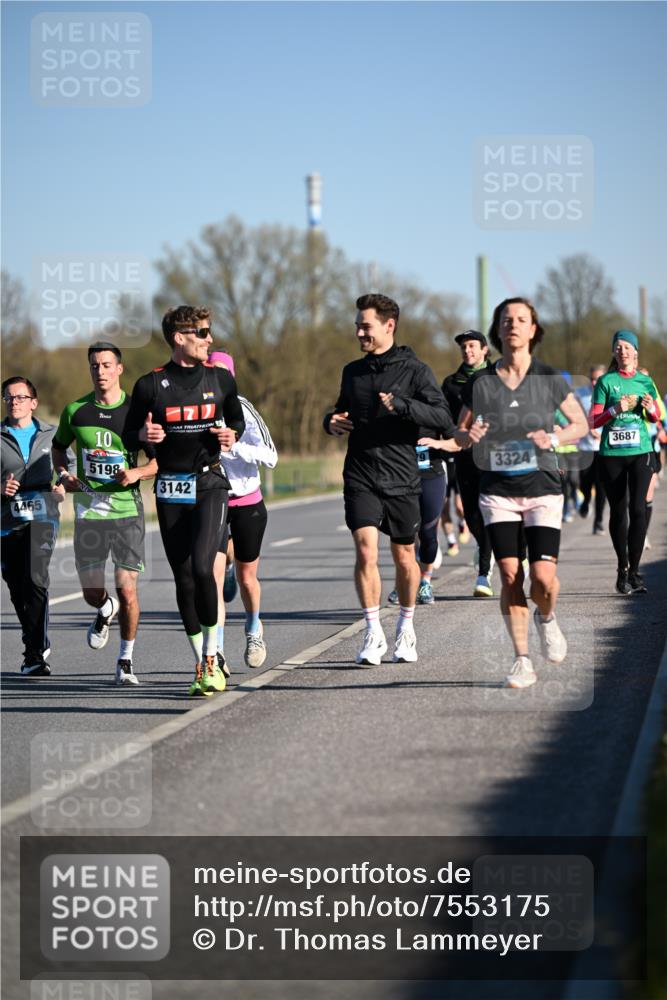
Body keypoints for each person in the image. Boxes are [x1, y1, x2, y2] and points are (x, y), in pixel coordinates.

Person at [456, 297, 588, 689]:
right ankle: (522, 659)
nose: (512, 324)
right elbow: (460, 432)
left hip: (542, 487)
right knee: (510, 574)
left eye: (521, 319)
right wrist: (468, 434)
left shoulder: (548, 378)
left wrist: (554, 437)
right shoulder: (482, 383)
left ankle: (547, 617)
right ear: (497, 329)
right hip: (497, 490)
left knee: (543, 580)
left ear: (533, 329)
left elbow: (580, 424)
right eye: (506, 319)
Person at [324, 293, 453, 666]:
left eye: (365, 326)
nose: (359, 332)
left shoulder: (415, 370)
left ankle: (406, 627)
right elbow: (341, 409)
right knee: (365, 551)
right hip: (361, 472)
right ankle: (373, 631)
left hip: (402, 476)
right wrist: (330, 422)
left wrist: (403, 406)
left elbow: (443, 417)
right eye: (357, 326)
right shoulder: (352, 371)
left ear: (389, 325)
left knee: (404, 556)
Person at [122, 306, 245, 696]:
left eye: (209, 332)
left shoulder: (221, 379)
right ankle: (199, 662)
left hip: (209, 482)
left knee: (204, 568)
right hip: (170, 487)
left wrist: (231, 436)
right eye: (202, 333)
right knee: (185, 578)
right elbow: (128, 435)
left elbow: (237, 421)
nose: (210, 339)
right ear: (179, 337)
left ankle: (212, 658)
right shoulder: (150, 385)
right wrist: (144, 436)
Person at [52, 343, 158, 686]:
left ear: (119, 369)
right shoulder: (75, 411)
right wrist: (63, 474)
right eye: (95, 365)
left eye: (107, 365)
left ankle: (125, 660)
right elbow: (58, 448)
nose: (100, 371)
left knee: (127, 590)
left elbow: (158, 462)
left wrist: (136, 473)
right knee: (91, 592)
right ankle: (103, 608)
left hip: (127, 512)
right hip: (89, 514)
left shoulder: (137, 413)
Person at [209, 351, 278, 670]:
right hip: (212, 501)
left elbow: (271, 456)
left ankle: (253, 630)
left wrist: (234, 445)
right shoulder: (197, 410)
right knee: (211, 579)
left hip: (247, 501)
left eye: (222, 373)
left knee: (247, 577)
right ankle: (217, 652)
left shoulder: (244, 409)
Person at [1, 377, 66, 676]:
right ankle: (34, 640)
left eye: (20, 397)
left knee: (36, 578)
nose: (14, 402)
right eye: (9, 397)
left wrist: (63, 485)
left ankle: (35, 654)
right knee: (16, 586)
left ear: (33, 403)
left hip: (43, 514)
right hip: (6, 520)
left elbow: (68, 467)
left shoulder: (52, 434)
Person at [591, 331, 662, 595]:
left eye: (627, 347)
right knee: (619, 512)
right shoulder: (605, 382)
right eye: (618, 347)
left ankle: (635, 572)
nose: (622, 351)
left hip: (641, 451)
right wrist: (615, 409)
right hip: (612, 455)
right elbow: (594, 420)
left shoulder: (645, 381)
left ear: (635, 352)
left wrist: (650, 408)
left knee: (639, 509)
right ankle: (622, 568)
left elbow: (655, 417)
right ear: (614, 352)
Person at [442, 330, 496, 596]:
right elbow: (443, 418)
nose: (467, 351)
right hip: (464, 455)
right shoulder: (451, 384)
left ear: (485, 349)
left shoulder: (499, 377)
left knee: (494, 510)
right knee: (472, 514)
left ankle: (484, 573)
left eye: (472, 346)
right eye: (463, 347)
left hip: (495, 455)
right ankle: (485, 545)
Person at [574, 365, 607, 534]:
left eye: (597, 379)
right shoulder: (580, 394)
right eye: (592, 379)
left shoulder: (610, 392)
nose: (594, 383)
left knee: (601, 487)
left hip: (603, 448)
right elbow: (573, 416)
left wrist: (603, 434)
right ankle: (586, 501)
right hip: (585, 447)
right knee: (584, 483)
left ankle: (598, 521)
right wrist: (588, 428)